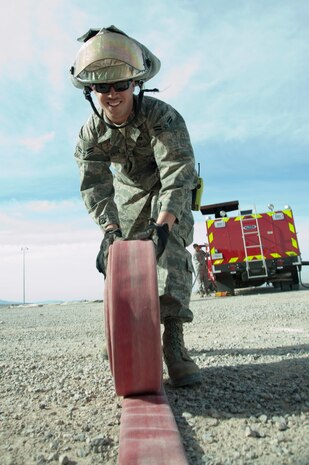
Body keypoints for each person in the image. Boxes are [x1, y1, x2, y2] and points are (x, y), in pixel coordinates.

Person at [70, 25, 201, 387]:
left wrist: (162, 225)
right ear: (91, 91)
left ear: (135, 84)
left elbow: (177, 171)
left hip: (166, 187)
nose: (111, 95)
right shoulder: (89, 135)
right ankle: (121, 331)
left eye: (120, 85)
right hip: (129, 192)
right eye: (101, 87)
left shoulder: (163, 117)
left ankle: (173, 339)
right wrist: (109, 232)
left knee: (170, 248)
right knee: (121, 256)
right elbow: (95, 185)